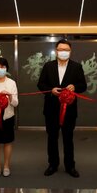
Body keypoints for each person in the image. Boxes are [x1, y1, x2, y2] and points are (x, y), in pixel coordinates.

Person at [37, 39, 87, 178]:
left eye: (66, 50)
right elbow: (40, 84)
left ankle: (70, 166)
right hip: (51, 109)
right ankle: (52, 164)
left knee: (68, 138)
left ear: (70, 52)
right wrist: (50, 90)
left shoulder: (76, 67)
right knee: (52, 138)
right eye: (61, 49)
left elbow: (83, 86)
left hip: (69, 110)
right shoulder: (48, 66)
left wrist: (75, 87)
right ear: (56, 51)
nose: (63, 52)